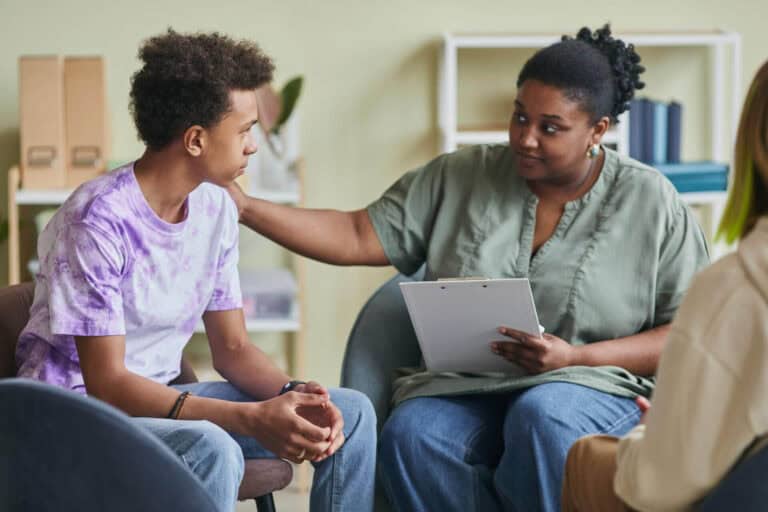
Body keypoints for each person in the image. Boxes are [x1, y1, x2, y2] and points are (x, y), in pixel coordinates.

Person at [226, 24, 709, 511]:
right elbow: (356, 233)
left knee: (542, 414)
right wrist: (244, 207)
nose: (526, 138)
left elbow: (688, 333)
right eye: (520, 117)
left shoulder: (651, 201)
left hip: (592, 386)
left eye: (550, 128)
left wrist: (577, 358)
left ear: (597, 131)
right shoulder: (461, 174)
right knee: (415, 433)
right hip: (467, 383)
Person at [14, 29, 375, 512]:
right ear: (196, 140)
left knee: (349, 413)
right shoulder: (96, 221)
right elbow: (108, 384)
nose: (253, 146)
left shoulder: (215, 208)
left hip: (163, 400)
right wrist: (249, 418)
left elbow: (234, 349)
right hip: (75, 416)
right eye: (244, 130)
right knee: (212, 446)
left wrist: (292, 395)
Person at [561, 59, 768, 512]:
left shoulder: (734, 291)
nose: (529, 140)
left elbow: (660, 485)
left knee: (582, 454)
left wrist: (652, 437)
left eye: (553, 126)